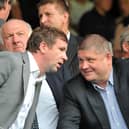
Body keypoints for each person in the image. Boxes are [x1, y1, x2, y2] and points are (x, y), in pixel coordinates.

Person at [0, 26, 68, 129]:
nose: (65, 57)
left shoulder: (38, 79)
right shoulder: (11, 60)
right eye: (61, 49)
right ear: (43, 47)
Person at [57, 34, 129, 129]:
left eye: (90, 60)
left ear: (108, 58)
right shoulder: (74, 89)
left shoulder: (126, 70)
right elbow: (67, 125)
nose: (83, 66)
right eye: (81, 60)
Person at [35, 0, 82, 129]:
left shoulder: (84, 46)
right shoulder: (35, 50)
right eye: (40, 16)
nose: (43, 20)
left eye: (48, 14)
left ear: (65, 17)